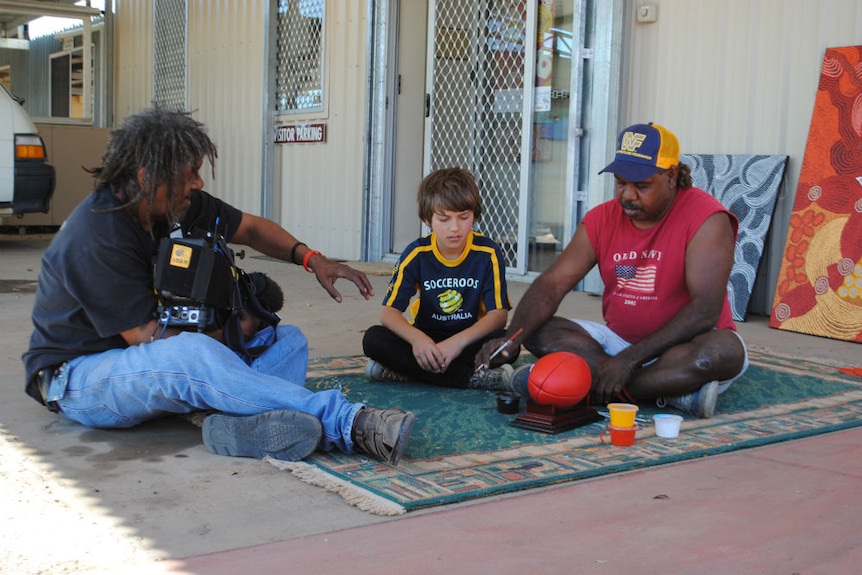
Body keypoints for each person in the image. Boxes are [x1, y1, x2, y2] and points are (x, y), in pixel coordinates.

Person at [22, 107, 415, 466]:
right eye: (188, 174)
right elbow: (145, 336)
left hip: (158, 366)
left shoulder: (172, 205)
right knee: (193, 354)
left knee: (288, 340)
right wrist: (232, 331)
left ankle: (232, 425)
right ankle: (350, 424)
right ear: (147, 178)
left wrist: (312, 259)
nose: (198, 181)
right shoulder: (97, 235)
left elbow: (250, 228)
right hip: (81, 378)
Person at [476, 122, 749, 418]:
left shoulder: (707, 219)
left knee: (719, 353)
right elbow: (553, 283)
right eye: (621, 183)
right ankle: (667, 393)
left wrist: (629, 360)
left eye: (641, 185)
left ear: (671, 176)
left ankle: (592, 389)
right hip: (616, 343)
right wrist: (512, 337)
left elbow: (705, 310)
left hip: (683, 346)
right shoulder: (601, 219)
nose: (627, 195)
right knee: (537, 330)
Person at [362, 167, 517, 390]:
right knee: (374, 339)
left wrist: (456, 343)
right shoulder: (416, 254)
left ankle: (406, 373)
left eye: (463, 217)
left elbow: (498, 315)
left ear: (474, 214)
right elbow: (389, 312)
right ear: (427, 219)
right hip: (428, 338)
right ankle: (469, 378)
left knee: (508, 345)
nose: (455, 228)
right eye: (444, 219)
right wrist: (418, 340)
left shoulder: (487, 252)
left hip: (469, 339)